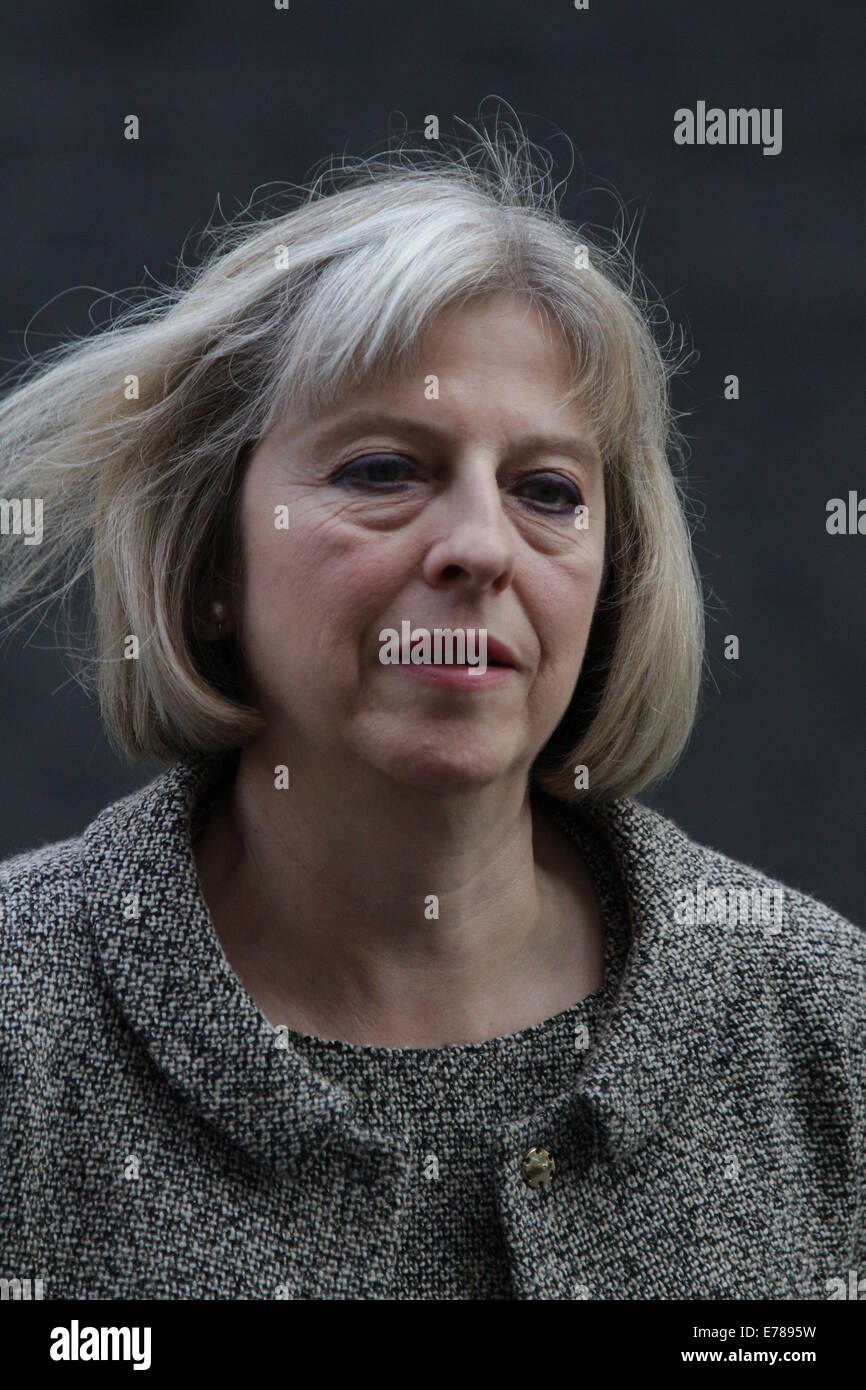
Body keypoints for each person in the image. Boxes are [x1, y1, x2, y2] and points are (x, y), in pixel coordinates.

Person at [0, 122, 863, 1301]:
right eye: (382, 470)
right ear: (208, 561)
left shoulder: (819, 1021)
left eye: (546, 491)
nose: (475, 547)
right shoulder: (22, 1014)